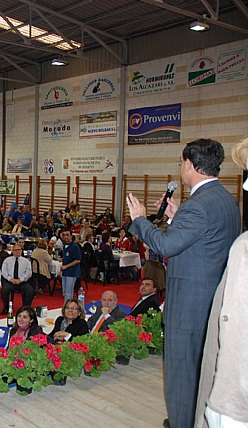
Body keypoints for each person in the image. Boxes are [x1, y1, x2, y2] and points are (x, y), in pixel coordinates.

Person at [127, 138, 240, 428]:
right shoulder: (226, 199)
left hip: (189, 303)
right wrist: (178, 217)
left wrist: (141, 220)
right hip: (211, 298)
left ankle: (181, 422)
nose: (180, 167)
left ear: (190, 165)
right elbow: (207, 242)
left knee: (181, 370)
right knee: (200, 368)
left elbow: (165, 246)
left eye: (180, 162)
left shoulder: (198, 206)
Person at [196, 138, 248, 428]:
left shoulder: (245, 249)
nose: (244, 188)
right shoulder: (229, 206)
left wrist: (225, 407)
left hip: (235, 400)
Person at [0, 244, 33, 314]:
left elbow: (29, 273)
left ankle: (26, 308)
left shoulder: (26, 261)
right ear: (12, 251)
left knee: (30, 291)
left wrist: (21, 280)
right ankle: (6, 307)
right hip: (10, 281)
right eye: (15, 250)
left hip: (22, 281)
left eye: (19, 250)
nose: (17, 252)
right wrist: (10, 279)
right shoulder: (7, 260)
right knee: (4, 290)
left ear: (21, 251)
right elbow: (4, 272)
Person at [60, 230, 81, 302]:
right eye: (64, 235)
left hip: (72, 272)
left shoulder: (75, 246)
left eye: (67, 235)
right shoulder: (64, 246)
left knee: (68, 293)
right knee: (64, 292)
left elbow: (77, 260)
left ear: (71, 236)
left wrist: (66, 266)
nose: (65, 237)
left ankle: (68, 308)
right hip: (65, 272)